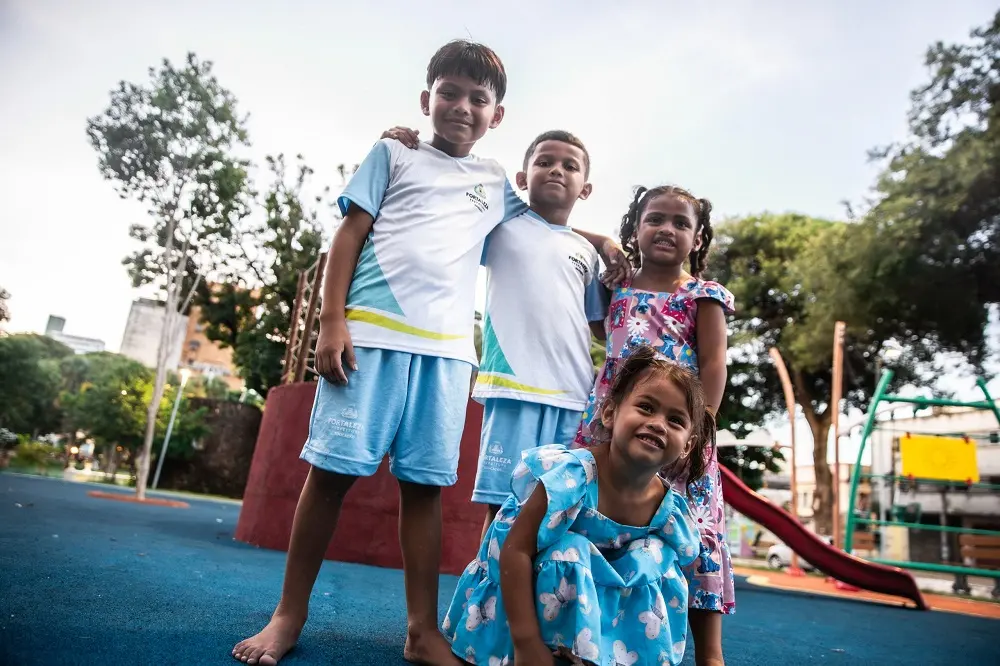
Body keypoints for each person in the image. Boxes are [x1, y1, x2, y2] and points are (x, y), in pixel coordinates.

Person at [232, 39, 526, 666]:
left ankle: (422, 632)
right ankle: (288, 614)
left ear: (496, 116)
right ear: (427, 100)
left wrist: (604, 239)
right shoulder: (393, 153)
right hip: (368, 340)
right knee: (331, 475)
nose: (462, 106)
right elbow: (348, 235)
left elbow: (542, 227)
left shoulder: (497, 180)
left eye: (479, 99)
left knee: (424, 488)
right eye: (449, 92)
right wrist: (331, 321)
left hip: (447, 358)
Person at [378, 126, 629, 538]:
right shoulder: (498, 226)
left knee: (563, 513)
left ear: (585, 189)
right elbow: (448, 198)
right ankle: (485, 601)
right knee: (502, 510)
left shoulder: (587, 254)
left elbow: (601, 329)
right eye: (544, 162)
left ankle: (542, 601)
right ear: (521, 178)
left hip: (573, 397)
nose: (556, 171)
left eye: (570, 166)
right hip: (510, 390)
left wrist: (606, 248)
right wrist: (410, 147)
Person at [442, 345, 709, 666]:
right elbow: (515, 550)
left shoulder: (667, 507)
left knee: (655, 558)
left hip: (597, 599)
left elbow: (684, 564)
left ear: (687, 445)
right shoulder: (571, 477)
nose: (658, 423)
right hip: (529, 585)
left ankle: (611, 655)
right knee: (570, 550)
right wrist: (525, 642)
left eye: (675, 420)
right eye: (646, 407)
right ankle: (548, 649)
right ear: (610, 413)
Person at [574, 185, 735, 666]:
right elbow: (561, 229)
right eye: (655, 219)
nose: (667, 229)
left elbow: (714, 364)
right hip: (612, 423)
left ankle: (710, 653)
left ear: (698, 237)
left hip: (680, 431)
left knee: (698, 531)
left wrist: (700, 428)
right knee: (603, 519)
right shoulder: (614, 288)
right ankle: (597, 636)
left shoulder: (702, 296)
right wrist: (604, 241)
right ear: (635, 229)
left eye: (681, 223)